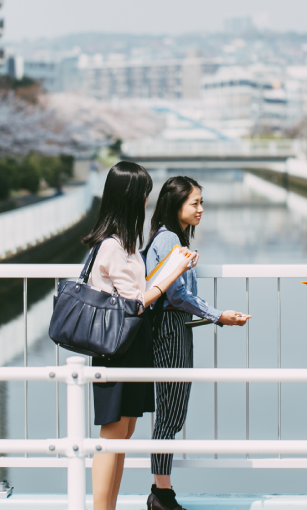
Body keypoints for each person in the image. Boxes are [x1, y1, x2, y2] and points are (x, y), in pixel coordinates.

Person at [83, 161, 197, 510]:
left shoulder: (126, 244)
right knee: (112, 435)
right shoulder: (111, 247)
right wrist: (171, 272)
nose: (148, 200)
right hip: (114, 347)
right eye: (144, 193)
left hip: (129, 346)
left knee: (123, 434)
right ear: (132, 198)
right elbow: (134, 302)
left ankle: (109, 506)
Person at [141, 175, 249, 510]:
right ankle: (161, 492)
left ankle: (162, 490)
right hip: (171, 327)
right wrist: (219, 315)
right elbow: (177, 295)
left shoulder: (168, 238)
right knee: (171, 410)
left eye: (201, 202)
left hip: (171, 327)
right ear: (176, 205)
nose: (201, 209)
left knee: (170, 409)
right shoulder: (170, 239)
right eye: (195, 203)